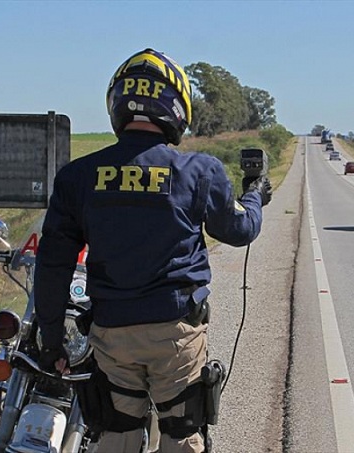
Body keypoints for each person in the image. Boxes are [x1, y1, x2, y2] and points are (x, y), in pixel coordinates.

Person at [33, 48, 271, 453]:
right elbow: (239, 229)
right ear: (176, 107)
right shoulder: (200, 171)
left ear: (118, 103)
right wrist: (254, 195)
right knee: (180, 439)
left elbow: (52, 264)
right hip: (174, 334)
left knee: (117, 435)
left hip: (111, 335)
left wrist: (52, 342)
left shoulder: (77, 177)